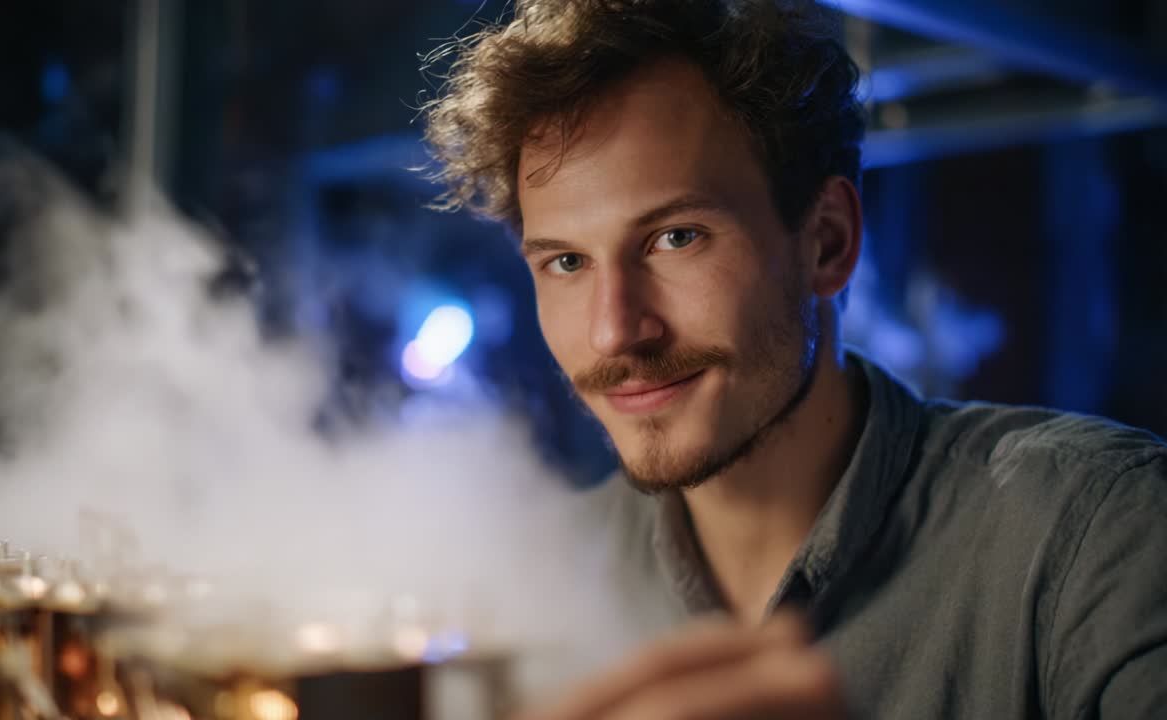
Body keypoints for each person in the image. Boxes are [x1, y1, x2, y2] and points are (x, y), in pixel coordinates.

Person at [420, 0, 1167, 717]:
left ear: (828, 241)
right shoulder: (526, 586)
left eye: (675, 238)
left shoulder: (1097, 531)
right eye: (567, 263)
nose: (616, 331)